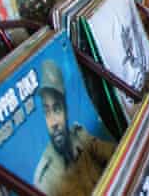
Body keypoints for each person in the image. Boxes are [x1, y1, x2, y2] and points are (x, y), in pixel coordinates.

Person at [34, 60, 114, 195]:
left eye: (57, 109)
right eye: (47, 111)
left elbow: (114, 153)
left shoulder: (78, 134)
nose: (53, 123)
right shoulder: (44, 179)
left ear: (66, 110)